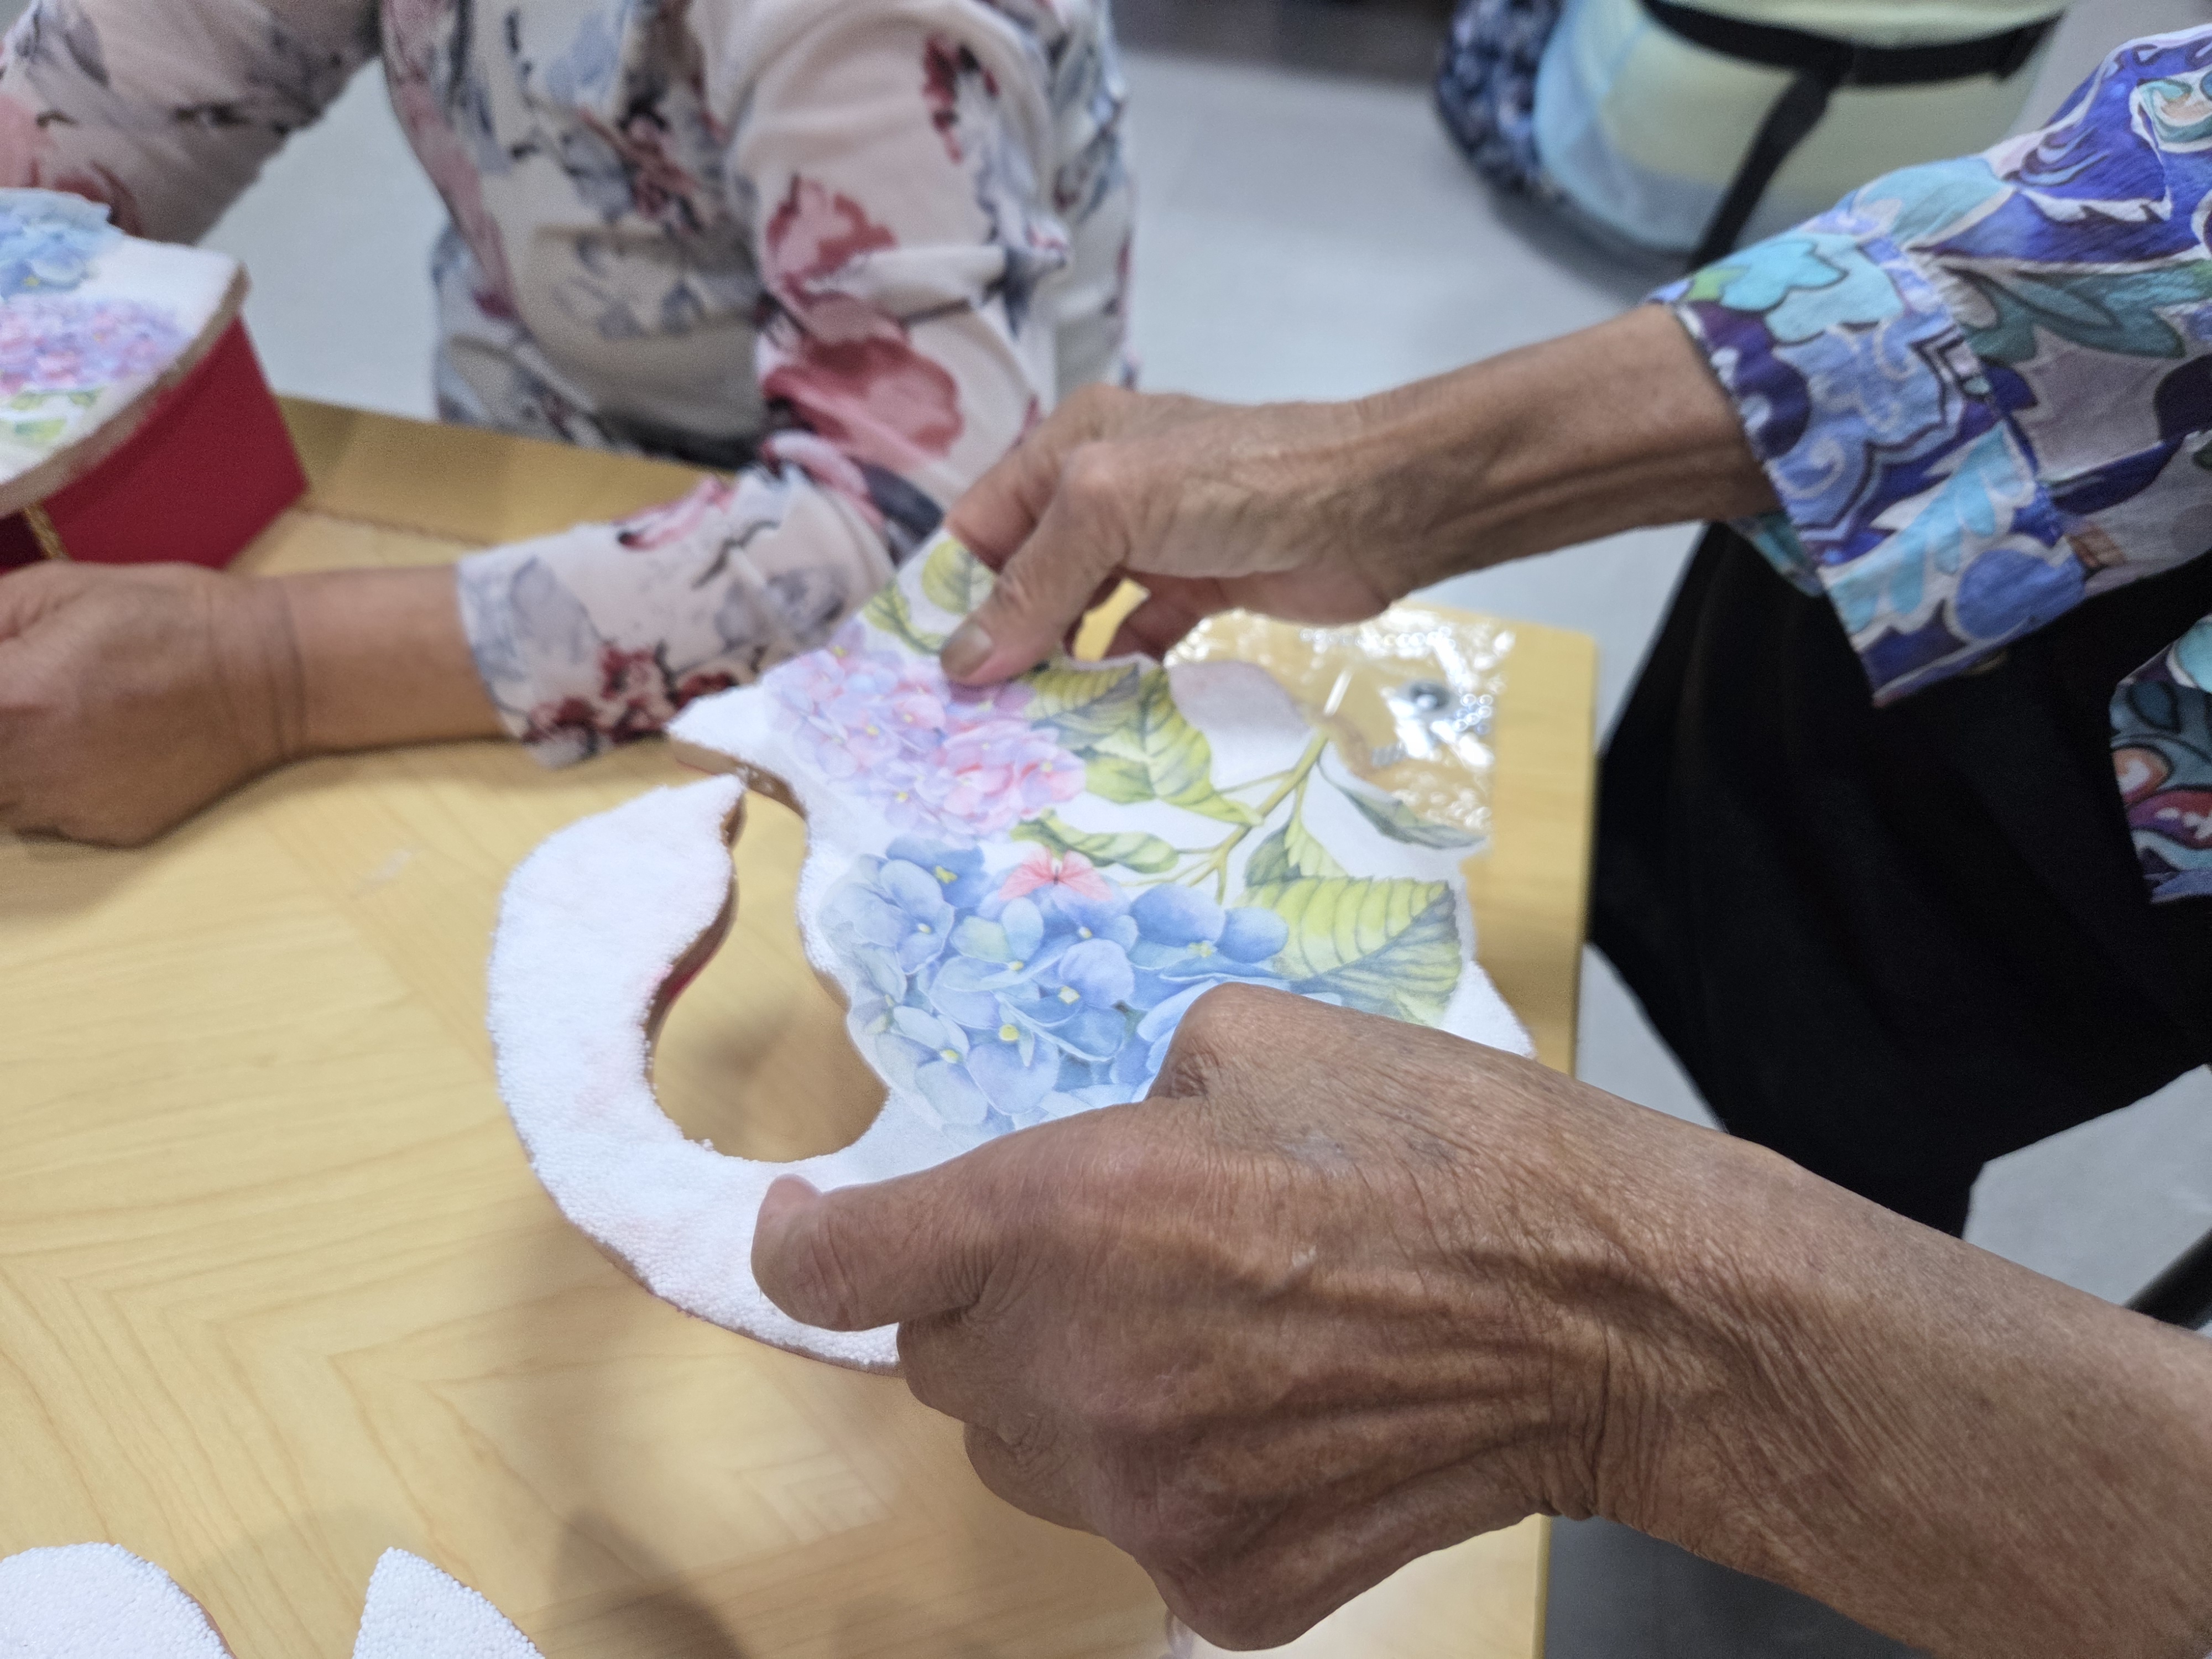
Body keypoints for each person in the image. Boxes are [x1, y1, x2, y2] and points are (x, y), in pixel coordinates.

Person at [749, 24, 2212, 1655]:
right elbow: (2174, 194)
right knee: (1801, 1012)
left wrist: (1653, 1342)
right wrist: (1405, 470)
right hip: (2012, 596)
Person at [0, 0, 1131, 843]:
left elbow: (928, 536)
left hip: (935, 628)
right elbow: (73, 135)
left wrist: (269, 676)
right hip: (532, 477)